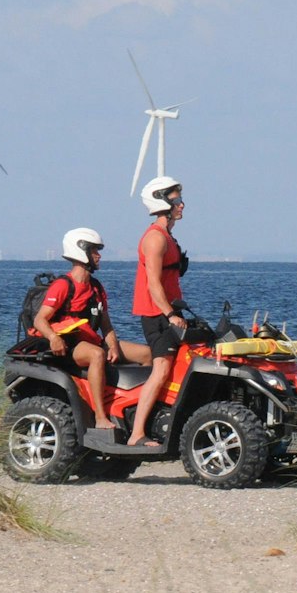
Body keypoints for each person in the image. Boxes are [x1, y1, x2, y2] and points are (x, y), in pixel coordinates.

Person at [33, 227, 147, 431]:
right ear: (81, 251)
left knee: (148, 354)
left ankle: (141, 413)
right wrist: (53, 338)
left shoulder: (96, 287)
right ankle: (100, 417)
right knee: (96, 355)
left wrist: (112, 346)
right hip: (70, 346)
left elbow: (106, 324)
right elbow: (40, 320)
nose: (99, 255)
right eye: (95, 250)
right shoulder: (63, 285)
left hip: (92, 340)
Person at [127, 176, 189, 448]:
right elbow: (153, 284)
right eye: (176, 200)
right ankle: (136, 434)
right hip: (156, 315)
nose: (182, 205)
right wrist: (170, 315)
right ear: (162, 202)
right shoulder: (155, 238)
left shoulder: (168, 236)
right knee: (161, 369)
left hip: (169, 313)